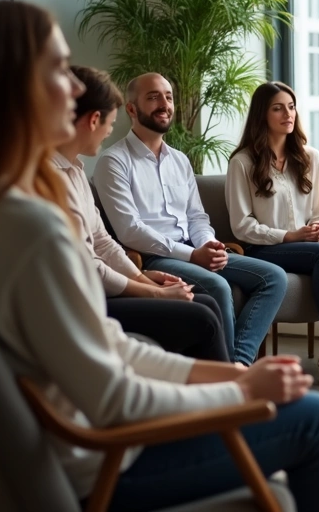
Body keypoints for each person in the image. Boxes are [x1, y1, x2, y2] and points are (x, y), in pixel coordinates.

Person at [0, 0, 319, 511]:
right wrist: (243, 393)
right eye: (57, 69)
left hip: (69, 449)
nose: (75, 89)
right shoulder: (29, 228)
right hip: (104, 465)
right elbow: (115, 397)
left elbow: (108, 346)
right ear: (7, 88)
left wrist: (238, 376)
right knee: (315, 418)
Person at [93, 73, 288, 367]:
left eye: (168, 96)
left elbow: (197, 216)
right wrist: (192, 255)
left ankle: (238, 365)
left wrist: (209, 245)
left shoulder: (180, 160)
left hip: (193, 249)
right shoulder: (114, 161)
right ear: (132, 109)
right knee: (218, 287)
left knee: (274, 277)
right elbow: (130, 230)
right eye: (153, 97)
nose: (164, 104)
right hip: (153, 257)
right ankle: (228, 372)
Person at [55, 65, 227, 362]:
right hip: (83, 298)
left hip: (106, 282)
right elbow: (89, 264)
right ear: (94, 120)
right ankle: (234, 391)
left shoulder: (77, 170)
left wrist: (144, 279)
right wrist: (153, 292)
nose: (110, 131)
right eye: (110, 123)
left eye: (168, 96)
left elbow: (103, 241)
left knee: (207, 304)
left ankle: (233, 389)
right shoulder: (58, 176)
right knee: (203, 314)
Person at [227, 81, 319, 386]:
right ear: (261, 115)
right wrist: (289, 236)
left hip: (306, 246)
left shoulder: (309, 156)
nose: (287, 114)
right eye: (277, 108)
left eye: (291, 107)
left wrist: (318, 227)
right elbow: (242, 226)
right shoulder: (242, 162)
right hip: (262, 248)